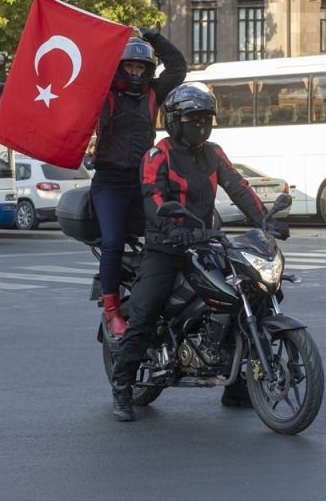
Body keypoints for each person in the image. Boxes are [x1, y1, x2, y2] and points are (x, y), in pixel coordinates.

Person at [109, 83, 288, 421]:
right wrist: (172, 229)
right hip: (166, 245)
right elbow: (153, 197)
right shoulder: (157, 154)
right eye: (193, 118)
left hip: (206, 241)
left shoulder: (213, 152)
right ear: (175, 121)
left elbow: (238, 186)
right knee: (146, 311)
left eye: (206, 118)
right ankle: (122, 385)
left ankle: (237, 387)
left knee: (251, 293)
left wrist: (265, 220)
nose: (201, 124)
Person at [90, 30, 186, 337]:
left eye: (141, 67)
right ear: (120, 66)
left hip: (144, 179)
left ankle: (158, 294)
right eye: (130, 66)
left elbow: (178, 68)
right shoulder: (103, 91)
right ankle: (112, 311)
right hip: (110, 180)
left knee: (169, 234)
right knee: (113, 242)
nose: (135, 72)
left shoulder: (154, 92)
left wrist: (153, 37)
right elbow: (83, 71)